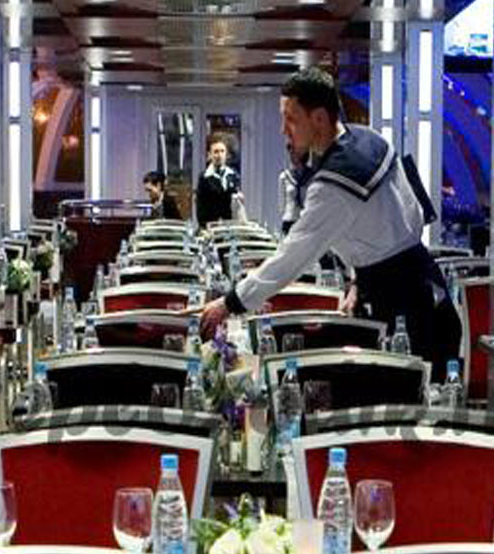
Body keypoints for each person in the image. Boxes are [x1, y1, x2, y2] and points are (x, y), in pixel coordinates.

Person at [200, 69, 460, 374]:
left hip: (405, 309)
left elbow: (292, 258)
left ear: (320, 118)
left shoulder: (333, 184)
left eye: (291, 119)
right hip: (427, 286)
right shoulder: (370, 138)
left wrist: (230, 303)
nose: (284, 130)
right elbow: (397, 222)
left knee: (407, 395)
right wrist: (359, 281)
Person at [194, 137, 238, 228]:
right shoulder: (204, 177)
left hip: (229, 226)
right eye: (216, 152)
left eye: (222, 151)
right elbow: (200, 207)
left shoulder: (232, 175)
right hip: (210, 226)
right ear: (210, 155)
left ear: (226, 154)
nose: (219, 155)